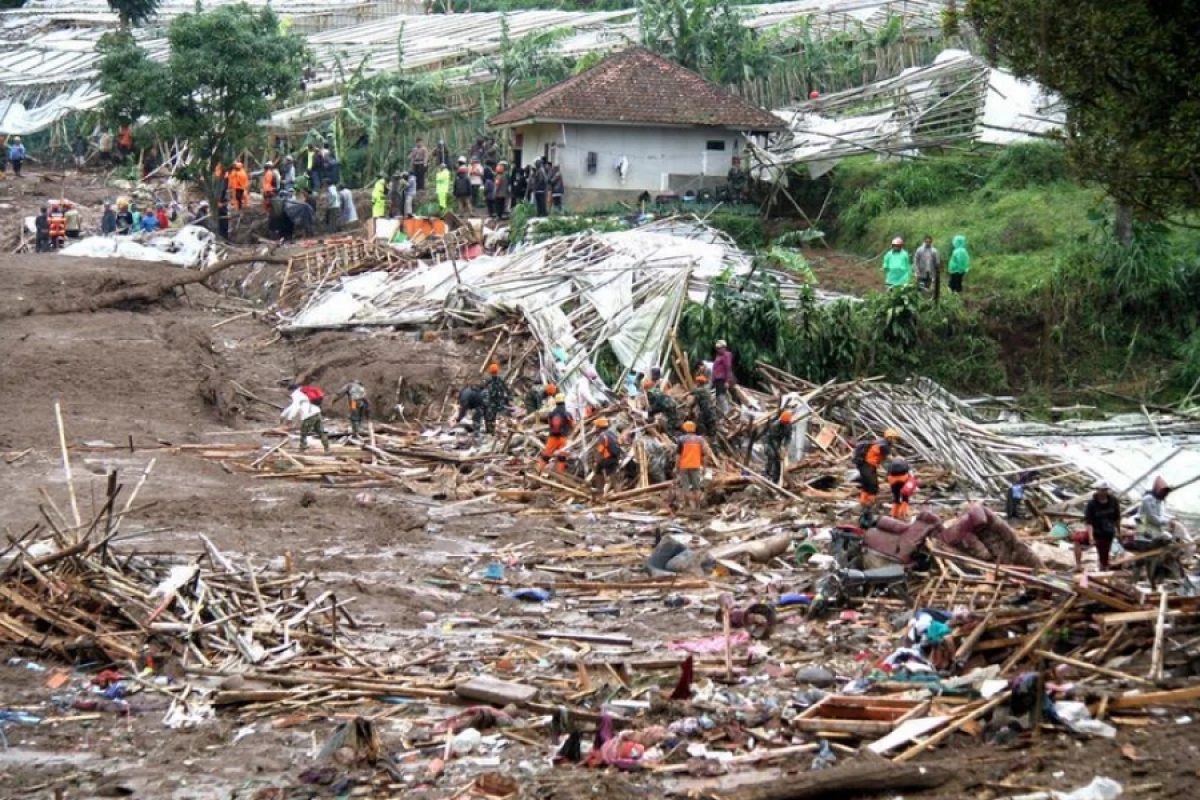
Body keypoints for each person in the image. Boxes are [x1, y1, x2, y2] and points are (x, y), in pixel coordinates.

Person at [1079, 481, 1121, 571]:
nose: (1103, 492)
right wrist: (1091, 536)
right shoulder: (1092, 504)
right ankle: (1082, 565)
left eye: (1105, 490)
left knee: (1105, 554)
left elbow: (1117, 517)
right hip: (1097, 532)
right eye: (1101, 490)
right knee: (1078, 539)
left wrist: (1119, 531)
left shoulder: (1113, 501)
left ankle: (1104, 568)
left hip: (1109, 532)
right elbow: (1089, 522)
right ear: (1097, 490)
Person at [853, 429, 899, 510]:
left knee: (866, 485)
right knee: (873, 486)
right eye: (894, 438)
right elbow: (890, 459)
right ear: (889, 438)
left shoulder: (880, 442)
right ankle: (869, 505)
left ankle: (863, 503)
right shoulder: (884, 446)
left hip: (865, 464)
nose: (895, 441)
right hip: (867, 465)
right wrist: (900, 463)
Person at [281, 382, 330, 453]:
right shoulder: (303, 393)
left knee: (303, 433)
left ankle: (302, 449)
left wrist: (289, 419)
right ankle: (327, 448)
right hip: (317, 412)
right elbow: (291, 407)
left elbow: (295, 407)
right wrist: (283, 414)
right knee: (321, 431)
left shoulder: (296, 395)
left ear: (291, 390)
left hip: (308, 415)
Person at [676, 421, 714, 509]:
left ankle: (688, 505)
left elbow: (678, 455)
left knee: (685, 487)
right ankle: (697, 506)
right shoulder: (700, 440)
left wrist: (676, 467)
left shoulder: (681, 439)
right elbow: (705, 454)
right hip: (696, 466)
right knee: (697, 488)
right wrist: (704, 467)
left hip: (684, 466)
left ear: (685, 428)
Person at [1139, 476, 1188, 544]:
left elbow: (1162, 514)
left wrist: (1172, 518)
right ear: (1157, 489)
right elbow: (1153, 518)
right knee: (1169, 539)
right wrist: (1169, 521)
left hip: (1155, 530)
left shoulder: (1159, 500)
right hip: (1145, 531)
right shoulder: (1148, 499)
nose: (1164, 494)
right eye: (1163, 492)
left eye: (1165, 493)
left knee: (1173, 538)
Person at [538, 393, 573, 473]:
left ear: (556, 402)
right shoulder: (567, 413)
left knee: (545, 457)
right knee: (562, 458)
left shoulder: (551, 414)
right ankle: (560, 476)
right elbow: (571, 425)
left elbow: (550, 424)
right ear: (564, 402)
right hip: (563, 438)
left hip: (552, 438)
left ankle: (538, 472)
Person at [591, 417, 622, 496]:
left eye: (596, 427)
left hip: (607, 458)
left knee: (598, 469)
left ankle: (599, 490)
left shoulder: (602, 436)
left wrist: (596, 461)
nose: (595, 428)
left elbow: (600, 451)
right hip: (615, 457)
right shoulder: (611, 433)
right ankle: (619, 493)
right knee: (613, 474)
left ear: (599, 427)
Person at [761, 410, 793, 484]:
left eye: (786, 423)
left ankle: (776, 477)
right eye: (784, 422)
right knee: (772, 455)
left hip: (778, 442)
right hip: (769, 442)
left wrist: (785, 447)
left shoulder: (788, 425)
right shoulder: (775, 425)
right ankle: (767, 473)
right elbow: (773, 439)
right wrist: (778, 451)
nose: (785, 424)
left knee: (778, 460)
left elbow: (788, 437)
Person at [482, 363, 512, 434]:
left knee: (489, 417)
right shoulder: (499, 379)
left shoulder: (488, 380)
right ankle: (491, 431)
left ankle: (490, 431)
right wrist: (509, 396)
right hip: (494, 402)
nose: (494, 373)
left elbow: (482, 390)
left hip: (491, 402)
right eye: (494, 372)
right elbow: (506, 389)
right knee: (491, 417)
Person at [711, 340, 735, 415]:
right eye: (717, 348)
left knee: (721, 395)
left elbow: (728, 368)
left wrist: (727, 381)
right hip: (717, 379)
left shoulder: (726, 355)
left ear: (724, 347)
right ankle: (724, 411)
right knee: (719, 396)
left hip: (722, 379)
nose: (718, 350)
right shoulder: (718, 356)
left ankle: (726, 412)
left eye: (719, 348)